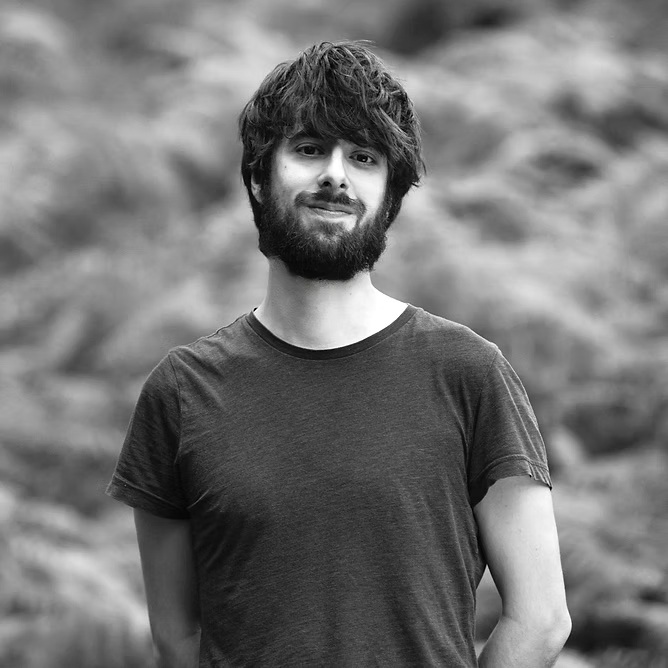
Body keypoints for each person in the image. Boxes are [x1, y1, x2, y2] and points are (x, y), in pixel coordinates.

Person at [106, 40, 571, 668]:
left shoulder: (468, 373)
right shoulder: (182, 391)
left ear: (391, 195)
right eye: (308, 149)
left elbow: (540, 618)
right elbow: (177, 636)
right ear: (257, 178)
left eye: (363, 157)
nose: (336, 175)